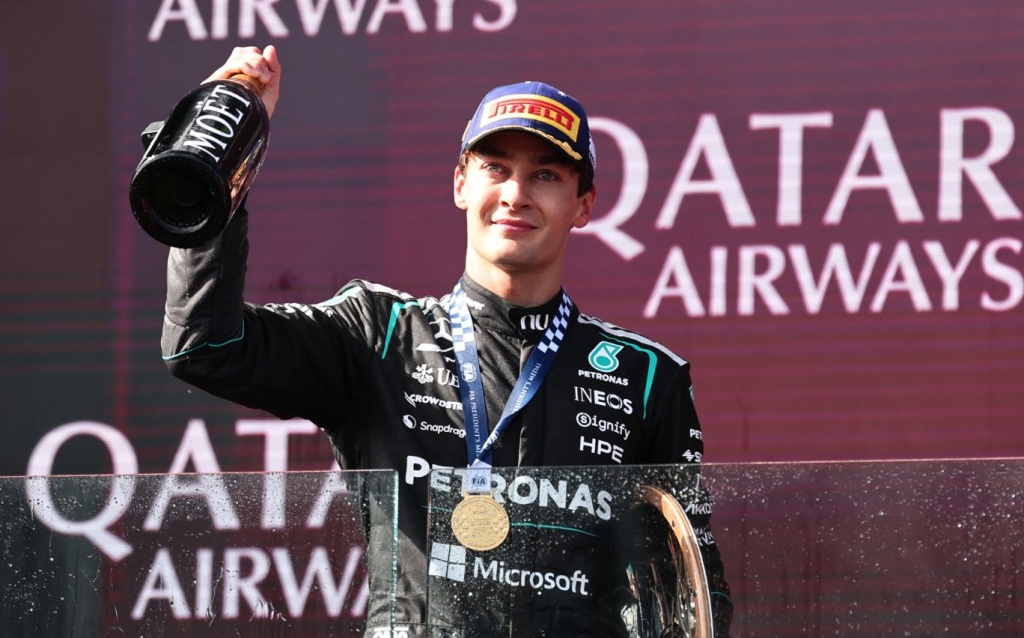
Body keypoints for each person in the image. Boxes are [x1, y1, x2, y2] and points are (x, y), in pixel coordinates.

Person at [161, 45, 733, 637]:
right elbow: (204, 345)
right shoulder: (379, 335)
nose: (515, 193)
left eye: (545, 174)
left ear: (583, 205)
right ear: (461, 182)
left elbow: (697, 601)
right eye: (495, 168)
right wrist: (216, 151)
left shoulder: (644, 378)